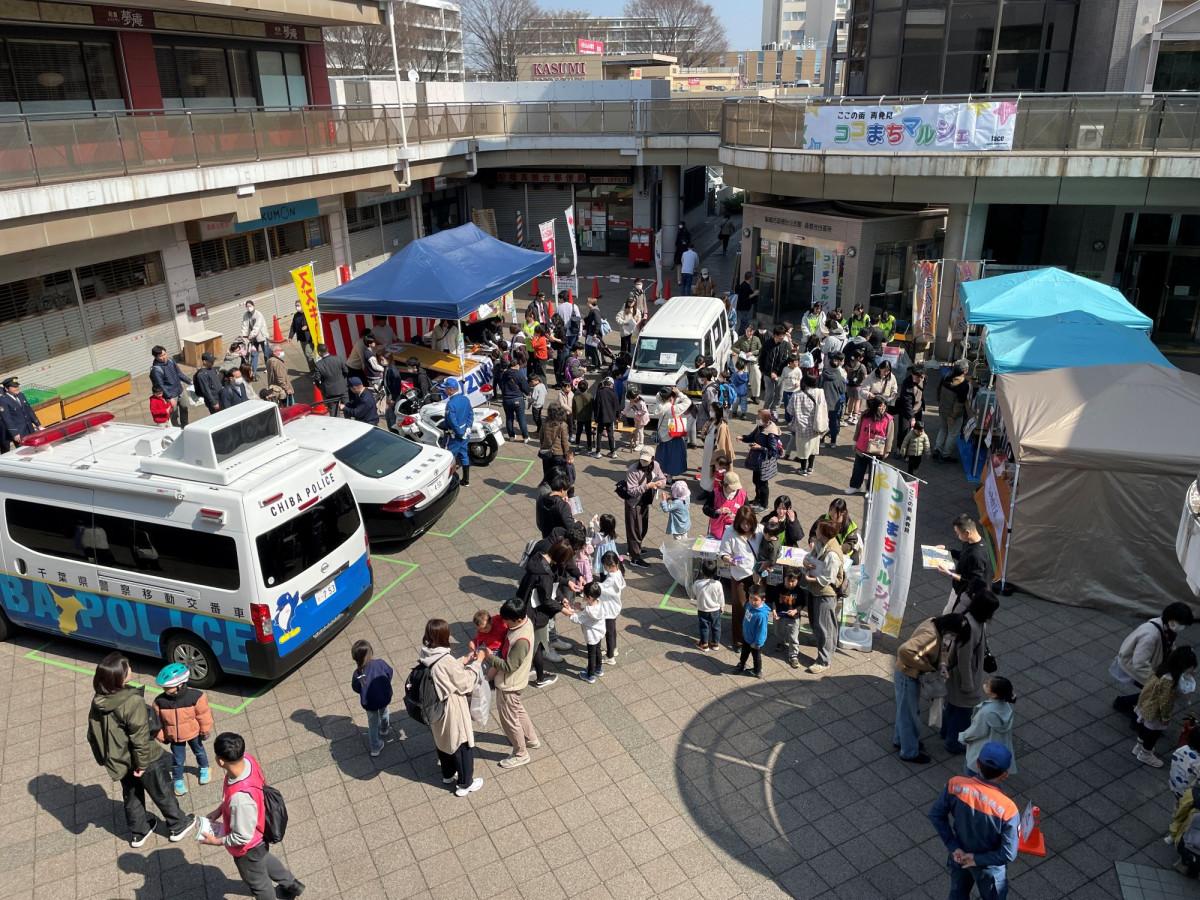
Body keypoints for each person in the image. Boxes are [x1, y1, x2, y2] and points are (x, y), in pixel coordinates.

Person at [87, 652, 195, 848]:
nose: (131, 669)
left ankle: (139, 832)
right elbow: (140, 737)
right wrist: (143, 764)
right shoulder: (131, 702)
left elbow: (93, 733)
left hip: (119, 759)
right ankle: (177, 825)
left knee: (132, 794)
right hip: (143, 758)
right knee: (161, 790)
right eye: (127, 668)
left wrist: (106, 759)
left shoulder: (99, 699)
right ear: (119, 677)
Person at [198, 732, 303, 899]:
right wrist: (219, 810)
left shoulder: (240, 800)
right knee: (263, 859)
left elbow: (242, 837)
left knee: (259, 885)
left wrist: (216, 841)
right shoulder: (247, 760)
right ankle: (292, 885)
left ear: (220, 761)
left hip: (248, 848)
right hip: (260, 834)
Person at [928, 741, 1019, 900]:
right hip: (989, 867)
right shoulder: (1008, 808)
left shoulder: (955, 785)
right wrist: (976, 859)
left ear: (977, 764)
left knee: (958, 894)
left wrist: (953, 846)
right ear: (1005, 774)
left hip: (959, 856)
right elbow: (1008, 853)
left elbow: (936, 815)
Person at [419, 618, 486, 794]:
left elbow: (443, 670)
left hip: (435, 705)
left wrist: (463, 660)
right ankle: (465, 784)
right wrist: (477, 662)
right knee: (461, 742)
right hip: (451, 706)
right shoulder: (445, 660)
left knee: (443, 740)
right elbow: (465, 683)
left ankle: (447, 774)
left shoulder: (427, 652)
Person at [895, 613, 971, 764]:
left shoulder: (935, 624)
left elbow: (942, 648)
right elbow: (904, 651)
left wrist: (942, 665)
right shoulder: (931, 636)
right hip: (907, 675)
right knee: (909, 715)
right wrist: (928, 667)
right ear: (951, 630)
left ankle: (902, 741)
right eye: (955, 636)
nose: (954, 639)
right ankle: (909, 752)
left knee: (906, 712)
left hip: (908, 673)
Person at [483, 597, 540, 769]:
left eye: (507, 620)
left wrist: (490, 657)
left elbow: (509, 666)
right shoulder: (525, 623)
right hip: (516, 682)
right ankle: (530, 739)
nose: (504, 623)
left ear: (518, 619)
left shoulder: (521, 640)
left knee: (510, 721)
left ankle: (520, 753)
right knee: (518, 710)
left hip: (509, 684)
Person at [943, 590, 1000, 755]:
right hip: (964, 678)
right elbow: (964, 660)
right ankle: (953, 743)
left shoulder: (970, 620)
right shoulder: (972, 628)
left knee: (952, 706)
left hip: (957, 676)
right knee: (962, 712)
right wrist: (968, 685)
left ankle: (946, 733)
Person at [1113, 602, 1194, 715]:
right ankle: (1131, 710)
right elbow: (1140, 664)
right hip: (1132, 667)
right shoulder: (1150, 636)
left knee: (1156, 691)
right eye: (1182, 624)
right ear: (1172, 622)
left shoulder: (1166, 628)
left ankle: (1127, 705)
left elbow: (1170, 646)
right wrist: (1156, 681)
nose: (1183, 628)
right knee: (1157, 691)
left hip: (1148, 665)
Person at [152, 663, 214, 796]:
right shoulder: (159, 702)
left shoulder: (196, 697)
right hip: (174, 737)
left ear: (180, 684)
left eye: (168, 686)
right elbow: (157, 721)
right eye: (164, 687)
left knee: (199, 751)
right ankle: (178, 780)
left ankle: (204, 768)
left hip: (194, 733)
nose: (164, 689)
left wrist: (205, 729)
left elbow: (203, 714)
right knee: (178, 759)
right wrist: (161, 736)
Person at [1134, 646, 1199, 767]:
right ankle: (1146, 753)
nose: (1192, 670)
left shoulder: (1165, 669)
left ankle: (1139, 747)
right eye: (1190, 667)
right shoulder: (1169, 680)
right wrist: (1165, 717)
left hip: (1147, 703)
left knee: (1145, 728)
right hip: (1156, 711)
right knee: (1153, 733)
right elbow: (1165, 701)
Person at [802, 519, 845, 675]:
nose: (816, 531)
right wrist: (806, 562)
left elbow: (828, 578)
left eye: (818, 529)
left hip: (826, 592)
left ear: (824, 533)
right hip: (815, 589)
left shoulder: (832, 554)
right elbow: (810, 555)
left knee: (824, 626)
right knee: (817, 621)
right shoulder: (821, 543)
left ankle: (824, 660)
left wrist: (810, 578)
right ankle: (824, 644)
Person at [719, 505, 760, 651]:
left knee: (756, 607)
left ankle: (755, 636)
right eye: (743, 523)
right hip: (739, 575)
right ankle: (739, 641)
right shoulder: (730, 532)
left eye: (749, 523)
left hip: (756, 576)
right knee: (740, 608)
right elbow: (723, 552)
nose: (746, 526)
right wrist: (728, 559)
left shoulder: (759, 530)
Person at [960, 676, 1018, 777]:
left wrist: (963, 737)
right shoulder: (1007, 706)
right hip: (997, 747)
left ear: (994, 694)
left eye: (987, 685)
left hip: (982, 749)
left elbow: (976, 731)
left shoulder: (986, 712)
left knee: (972, 772)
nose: (984, 684)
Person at [936, 515, 994, 613]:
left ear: (967, 533)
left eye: (958, 533)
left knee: (948, 614)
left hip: (964, 593)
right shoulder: (970, 542)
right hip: (959, 588)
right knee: (947, 612)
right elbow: (963, 556)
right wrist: (946, 551)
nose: (957, 536)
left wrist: (949, 573)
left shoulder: (977, 555)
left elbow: (971, 581)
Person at [623, 448, 667, 568]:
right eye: (642, 459)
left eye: (646, 460)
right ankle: (635, 557)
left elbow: (663, 478)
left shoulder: (655, 465)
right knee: (635, 530)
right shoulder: (632, 470)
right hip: (634, 503)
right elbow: (632, 491)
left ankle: (635, 548)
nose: (643, 462)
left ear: (652, 458)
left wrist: (660, 483)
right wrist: (647, 486)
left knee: (643, 528)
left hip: (645, 501)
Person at [350, 639, 394, 758]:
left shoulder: (358, 674)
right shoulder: (380, 663)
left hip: (369, 703)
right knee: (384, 713)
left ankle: (375, 747)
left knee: (372, 724)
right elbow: (390, 673)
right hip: (383, 697)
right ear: (371, 653)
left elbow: (355, 687)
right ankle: (384, 729)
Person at [846, 397, 894, 495]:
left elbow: (890, 436)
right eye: (880, 406)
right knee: (858, 469)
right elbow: (858, 429)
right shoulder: (865, 415)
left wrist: (887, 451)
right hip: (862, 448)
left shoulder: (888, 419)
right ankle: (854, 486)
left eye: (884, 406)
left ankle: (870, 490)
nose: (883, 408)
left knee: (874, 472)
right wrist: (855, 441)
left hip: (877, 450)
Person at [742, 408, 783, 509]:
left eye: (759, 417)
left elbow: (773, 452)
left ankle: (764, 504)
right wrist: (743, 438)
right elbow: (752, 437)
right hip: (757, 462)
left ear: (765, 419)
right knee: (756, 481)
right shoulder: (760, 426)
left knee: (763, 484)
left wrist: (760, 448)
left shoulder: (771, 433)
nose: (757, 418)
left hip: (764, 463)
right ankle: (757, 499)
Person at [788, 374, 828, 477]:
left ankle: (803, 469)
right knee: (813, 448)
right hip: (816, 425)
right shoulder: (820, 392)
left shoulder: (796, 395)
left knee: (803, 449)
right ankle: (810, 468)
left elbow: (790, 410)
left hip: (801, 427)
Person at [567, 582, 607, 683]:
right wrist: (581, 609)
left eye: (584, 594)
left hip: (591, 636)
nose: (582, 595)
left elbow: (577, 619)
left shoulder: (588, 611)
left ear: (589, 597)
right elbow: (588, 614)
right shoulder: (600, 602)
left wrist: (569, 612)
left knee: (591, 655)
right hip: (599, 633)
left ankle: (590, 675)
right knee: (598, 651)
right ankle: (598, 669)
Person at [934, 360, 971, 460]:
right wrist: (953, 416)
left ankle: (937, 449)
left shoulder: (946, 377)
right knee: (952, 433)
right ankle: (946, 455)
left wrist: (940, 403)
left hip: (942, 409)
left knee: (943, 429)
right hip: (953, 414)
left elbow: (938, 391)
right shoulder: (963, 384)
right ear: (965, 371)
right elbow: (959, 403)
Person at [149, 346, 192, 428]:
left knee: (185, 407)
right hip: (171, 395)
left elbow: (179, 373)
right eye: (161, 356)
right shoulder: (156, 370)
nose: (164, 357)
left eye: (164, 354)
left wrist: (190, 381)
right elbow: (161, 385)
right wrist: (169, 398)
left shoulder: (171, 361)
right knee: (173, 414)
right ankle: (176, 428)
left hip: (180, 390)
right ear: (155, 357)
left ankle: (185, 426)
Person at [733, 585, 770, 678]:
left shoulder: (761, 615)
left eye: (756, 599)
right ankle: (742, 664)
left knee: (756, 657)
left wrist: (757, 643)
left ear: (763, 600)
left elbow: (762, 631)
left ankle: (757, 671)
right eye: (750, 598)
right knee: (744, 653)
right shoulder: (749, 605)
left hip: (755, 642)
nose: (752, 601)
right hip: (747, 637)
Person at [443, 376, 474, 487]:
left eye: (446, 388)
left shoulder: (450, 404)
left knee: (448, 457)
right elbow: (470, 414)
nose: (445, 390)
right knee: (464, 455)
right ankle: (466, 480)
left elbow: (452, 421)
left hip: (454, 436)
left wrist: (460, 433)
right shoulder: (465, 399)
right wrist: (468, 428)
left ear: (451, 389)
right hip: (465, 433)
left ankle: (448, 482)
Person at [654, 387, 691, 477]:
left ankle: (660, 475)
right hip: (672, 436)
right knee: (672, 460)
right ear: (671, 397)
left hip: (662, 437)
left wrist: (665, 391)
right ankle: (669, 478)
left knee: (661, 459)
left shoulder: (659, 406)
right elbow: (688, 402)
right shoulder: (673, 409)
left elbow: (658, 395)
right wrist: (678, 393)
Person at [596, 550, 625, 664]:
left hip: (609, 609)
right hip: (614, 607)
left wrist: (590, 586)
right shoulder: (618, 572)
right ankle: (614, 649)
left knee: (609, 633)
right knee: (612, 630)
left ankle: (610, 657)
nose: (604, 567)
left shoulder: (611, 578)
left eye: (604, 565)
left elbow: (601, 588)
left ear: (609, 565)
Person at [773, 570, 805, 669]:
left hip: (794, 618)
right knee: (778, 631)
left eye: (793, 581)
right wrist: (774, 611)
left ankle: (793, 655)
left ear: (798, 581)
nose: (790, 583)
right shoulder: (778, 587)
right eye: (788, 581)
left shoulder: (799, 591)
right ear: (784, 579)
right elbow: (774, 601)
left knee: (793, 636)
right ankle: (781, 642)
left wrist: (795, 610)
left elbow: (802, 605)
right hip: (780, 616)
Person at [692, 558, 724, 651]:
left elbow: (694, 592)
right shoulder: (718, 584)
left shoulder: (697, 583)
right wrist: (722, 606)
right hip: (715, 609)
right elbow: (721, 597)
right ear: (715, 572)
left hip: (702, 609)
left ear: (702, 571)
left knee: (704, 627)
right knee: (716, 627)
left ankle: (704, 644)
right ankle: (715, 644)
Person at [538, 404, 572, 485]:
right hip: (558, 454)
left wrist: (543, 446)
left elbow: (541, 436)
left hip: (546, 453)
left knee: (547, 474)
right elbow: (565, 442)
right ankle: (556, 489)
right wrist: (567, 454)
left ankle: (547, 488)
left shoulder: (545, 423)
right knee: (558, 475)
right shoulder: (562, 425)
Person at [497, 360, 531, 442]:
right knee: (521, 418)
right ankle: (525, 437)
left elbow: (501, 385)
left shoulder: (504, 374)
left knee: (509, 418)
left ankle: (511, 436)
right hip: (517, 398)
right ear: (517, 365)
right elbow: (525, 387)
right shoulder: (519, 374)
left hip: (506, 399)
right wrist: (528, 393)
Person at [758, 325, 789, 412]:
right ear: (775, 335)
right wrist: (764, 371)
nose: (782, 338)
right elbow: (762, 358)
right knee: (770, 394)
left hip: (779, 375)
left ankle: (774, 411)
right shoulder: (767, 344)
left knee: (779, 395)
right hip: (767, 374)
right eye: (781, 336)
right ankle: (765, 411)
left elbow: (784, 360)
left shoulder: (785, 345)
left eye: (783, 336)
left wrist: (775, 372)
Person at [708, 470, 745, 540]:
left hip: (734, 530)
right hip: (717, 529)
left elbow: (747, 512)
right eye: (732, 487)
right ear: (725, 485)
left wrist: (737, 517)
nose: (735, 489)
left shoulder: (742, 494)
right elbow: (706, 508)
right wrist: (717, 511)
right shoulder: (715, 493)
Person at [536, 472, 575, 538]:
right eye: (566, 491)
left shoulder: (541, 498)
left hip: (546, 536)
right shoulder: (562, 506)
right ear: (562, 490)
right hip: (559, 539)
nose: (566, 494)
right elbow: (570, 527)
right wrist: (579, 524)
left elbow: (539, 521)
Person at [314, 344, 349, 417]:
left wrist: (322, 388)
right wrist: (343, 382)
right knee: (348, 409)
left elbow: (317, 379)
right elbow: (346, 371)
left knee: (334, 414)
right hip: (343, 389)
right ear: (327, 349)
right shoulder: (338, 358)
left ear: (319, 353)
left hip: (330, 392)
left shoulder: (318, 365)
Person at [895, 366, 926, 451]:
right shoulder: (907, 383)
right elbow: (907, 403)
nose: (915, 379)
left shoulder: (923, 379)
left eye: (919, 378)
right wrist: (912, 418)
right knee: (903, 431)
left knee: (917, 430)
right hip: (905, 410)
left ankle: (913, 449)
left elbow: (921, 392)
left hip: (918, 408)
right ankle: (900, 449)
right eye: (914, 377)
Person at [239, 301, 270, 378]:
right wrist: (244, 336)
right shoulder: (246, 315)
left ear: (253, 305)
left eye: (250, 306)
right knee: (253, 354)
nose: (248, 308)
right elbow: (244, 326)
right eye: (247, 306)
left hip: (262, 336)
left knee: (266, 353)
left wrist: (250, 336)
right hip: (253, 339)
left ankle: (269, 367)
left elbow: (257, 327)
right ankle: (253, 372)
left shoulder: (258, 314)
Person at [592, 376, 620, 458]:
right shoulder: (614, 393)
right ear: (611, 384)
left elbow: (596, 406)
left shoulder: (599, 392)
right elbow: (617, 407)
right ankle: (613, 452)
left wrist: (596, 417)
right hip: (611, 418)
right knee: (611, 435)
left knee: (599, 434)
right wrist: (617, 416)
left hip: (601, 417)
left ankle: (598, 452)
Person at [288, 301, 316, 369]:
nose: (297, 307)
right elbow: (293, 327)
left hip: (308, 338)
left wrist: (307, 327)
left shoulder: (307, 313)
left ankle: (314, 370)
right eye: (296, 306)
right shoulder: (296, 315)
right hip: (301, 339)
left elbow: (314, 322)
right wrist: (290, 337)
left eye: (298, 305)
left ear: (302, 305)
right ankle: (312, 369)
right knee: (307, 355)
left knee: (309, 354)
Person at [622, 386, 650, 450]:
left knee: (640, 430)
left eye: (630, 399)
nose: (630, 400)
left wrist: (638, 413)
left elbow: (644, 411)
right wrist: (623, 413)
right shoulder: (632, 401)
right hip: (637, 417)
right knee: (636, 429)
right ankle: (636, 442)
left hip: (643, 418)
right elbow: (628, 407)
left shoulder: (641, 402)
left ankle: (641, 444)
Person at [571, 376, 594, 453]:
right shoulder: (590, 396)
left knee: (578, 432)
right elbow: (593, 407)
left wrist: (574, 417)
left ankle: (577, 445)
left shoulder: (575, 397)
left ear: (578, 388)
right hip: (588, 417)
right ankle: (589, 446)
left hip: (579, 417)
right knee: (588, 432)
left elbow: (573, 408)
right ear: (587, 387)